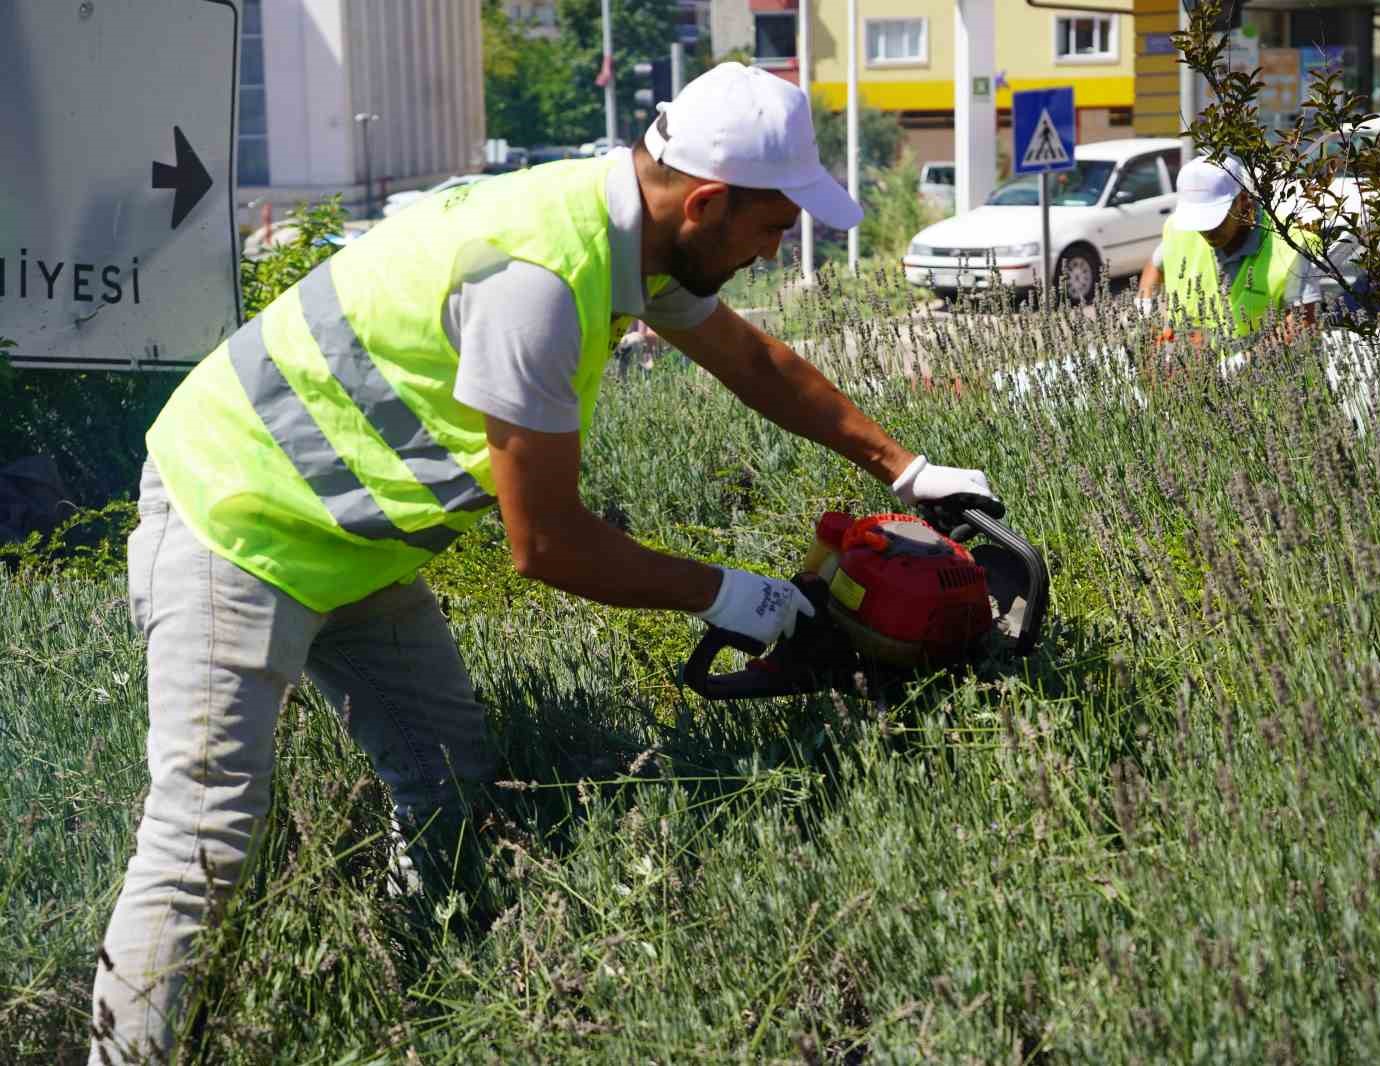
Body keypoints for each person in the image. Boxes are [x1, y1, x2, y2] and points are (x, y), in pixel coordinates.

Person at [89, 63, 995, 1064]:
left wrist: (909, 469)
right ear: (703, 202)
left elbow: (752, 361)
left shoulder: (630, 239)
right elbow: (547, 544)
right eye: (773, 224)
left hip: (351, 544)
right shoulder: (538, 281)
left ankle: (403, 997)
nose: (777, 247)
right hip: (236, 518)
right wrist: (747, 599)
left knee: (446, 778)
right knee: (206, 840)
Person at [1136, 154, 1322, 349]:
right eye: (1198, 222)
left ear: (1242, 200)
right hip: (1192, 373)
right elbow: (1155, 265)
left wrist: (1242, 362)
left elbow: (1303, 323)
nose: (1207, 231)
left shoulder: (1292, 244)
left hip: (1261, 375)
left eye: (1215, 219)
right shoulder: (1179, 229)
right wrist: (1147, 315)